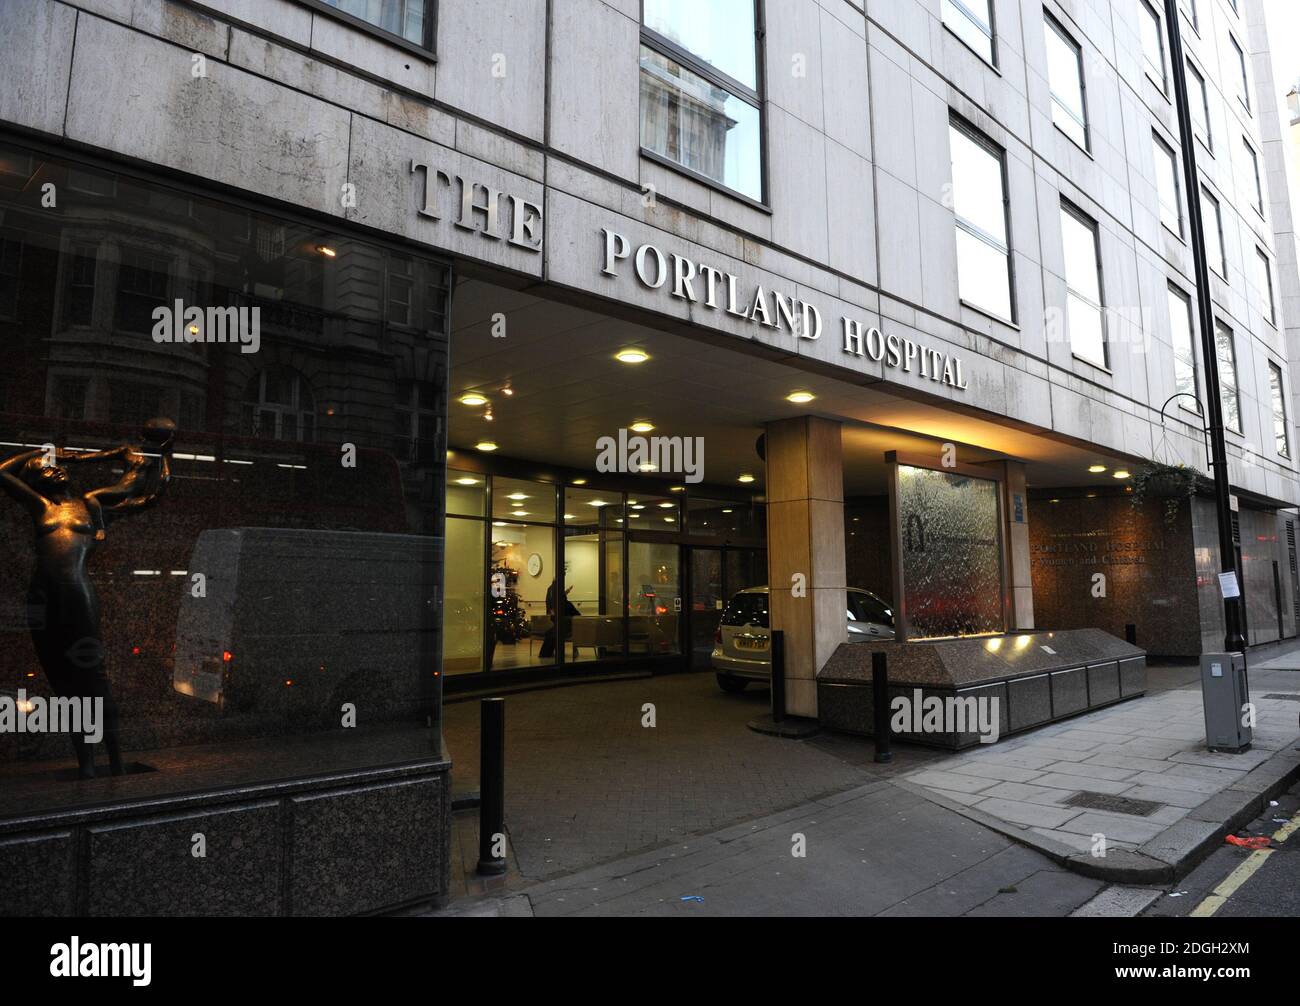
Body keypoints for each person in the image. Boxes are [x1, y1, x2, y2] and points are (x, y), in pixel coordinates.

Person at [0, 422, 173, 778]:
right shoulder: (40, 506)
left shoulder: (92, 506)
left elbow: (146, 499)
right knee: (62, 679)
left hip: (76, 591)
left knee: (93, 677)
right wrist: (43, 452)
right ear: (37, 483)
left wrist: (162, 464)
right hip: (42, 595)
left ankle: (114, 758)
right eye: (44, 469)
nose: (54, 468)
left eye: (56, 465)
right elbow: (2, 472)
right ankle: (87, 765)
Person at [537, 579, 579, 659]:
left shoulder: (552, 592)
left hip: (566, 625)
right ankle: (549, 653)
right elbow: (577, 616)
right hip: (565, 625)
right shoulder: (565, 604)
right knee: (551, 633)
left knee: (551, 633)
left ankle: (546, 653)